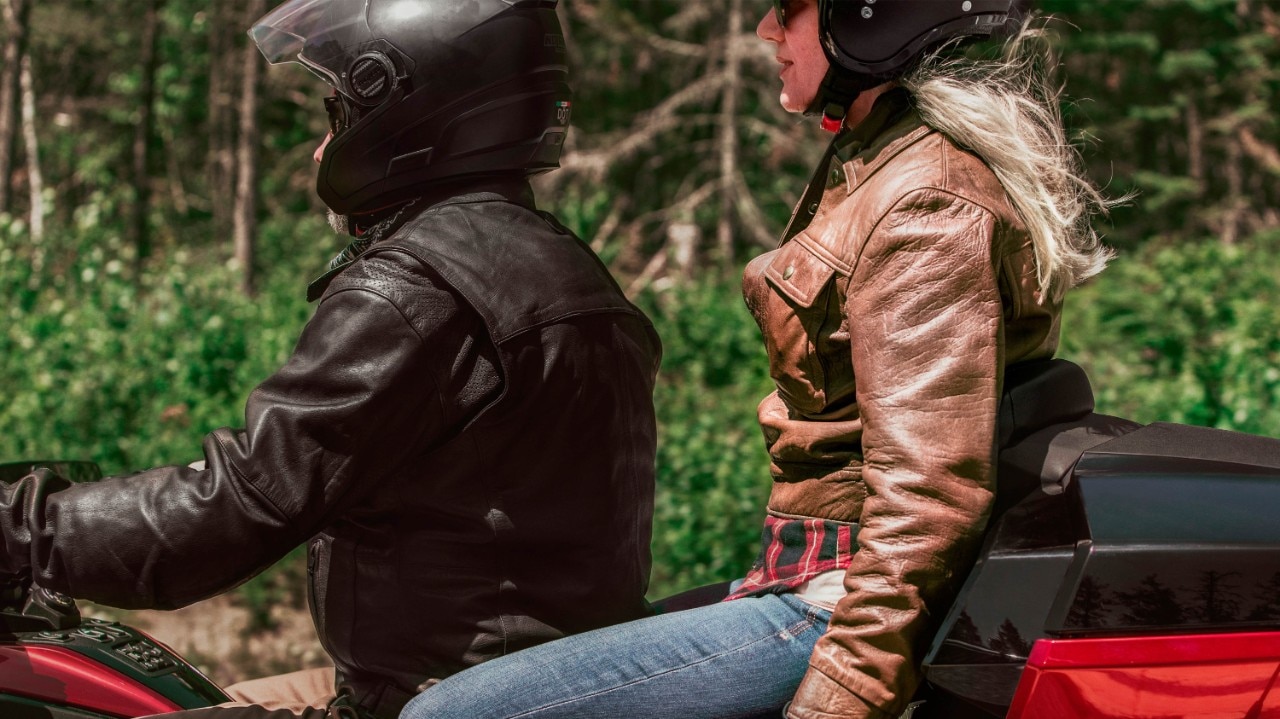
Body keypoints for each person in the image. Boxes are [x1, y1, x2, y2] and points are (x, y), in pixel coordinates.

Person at [398, 1, 1115, 718]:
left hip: (838, 602)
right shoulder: (877, 155)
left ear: (872, 17)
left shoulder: (925, 203)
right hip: (804, 574)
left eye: (791, 8)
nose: (769, 30)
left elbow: (928, 501)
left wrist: (840, 697)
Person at [0, 1, 661, 717]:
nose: (321, 149)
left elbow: (239, 503)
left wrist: (17, 527)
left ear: (410, 117)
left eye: (338, 117)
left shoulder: (415, 290)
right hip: (528, 682)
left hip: (444, 698)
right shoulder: (568, 267)